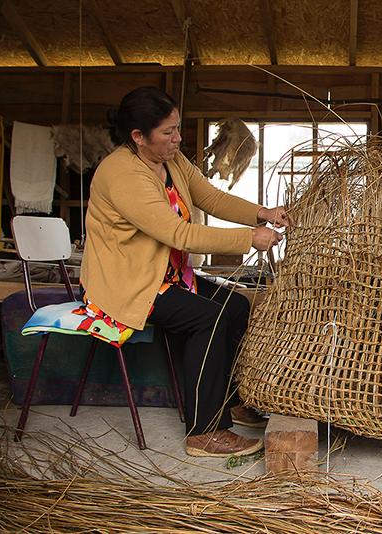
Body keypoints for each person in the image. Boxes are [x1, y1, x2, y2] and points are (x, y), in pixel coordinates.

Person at [80, 86, 289, 457]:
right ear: (138, 137)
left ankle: (231, 400)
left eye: (178, 128)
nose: (177, 138)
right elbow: (178, 233)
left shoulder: (170, 161)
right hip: (131, 282)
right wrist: (248, 239)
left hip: (165, 274)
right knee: (207, 319)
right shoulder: (123, 174)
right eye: (167, 132)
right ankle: (205, 431)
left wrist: (263, 213)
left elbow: (210, 197)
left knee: (237, 306)